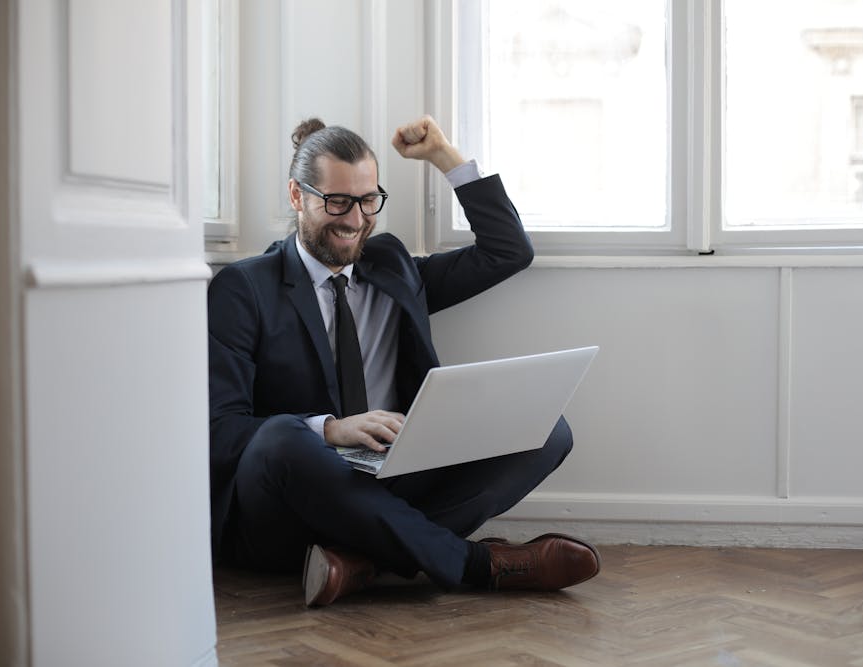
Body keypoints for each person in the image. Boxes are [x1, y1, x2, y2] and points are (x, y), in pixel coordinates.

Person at [207, 115, 600, 606]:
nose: (354, 220)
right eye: (336, 202)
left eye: (368, 201)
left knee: (547, 428)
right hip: (294, 497)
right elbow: (220, 430)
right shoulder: (245, 289)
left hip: (391, 476)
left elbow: (508, 251)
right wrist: (329, 429)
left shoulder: (390, 267)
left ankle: (359, 563)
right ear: (296, 196)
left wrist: (444, 158)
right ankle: (473, 565)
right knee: (283, 437)